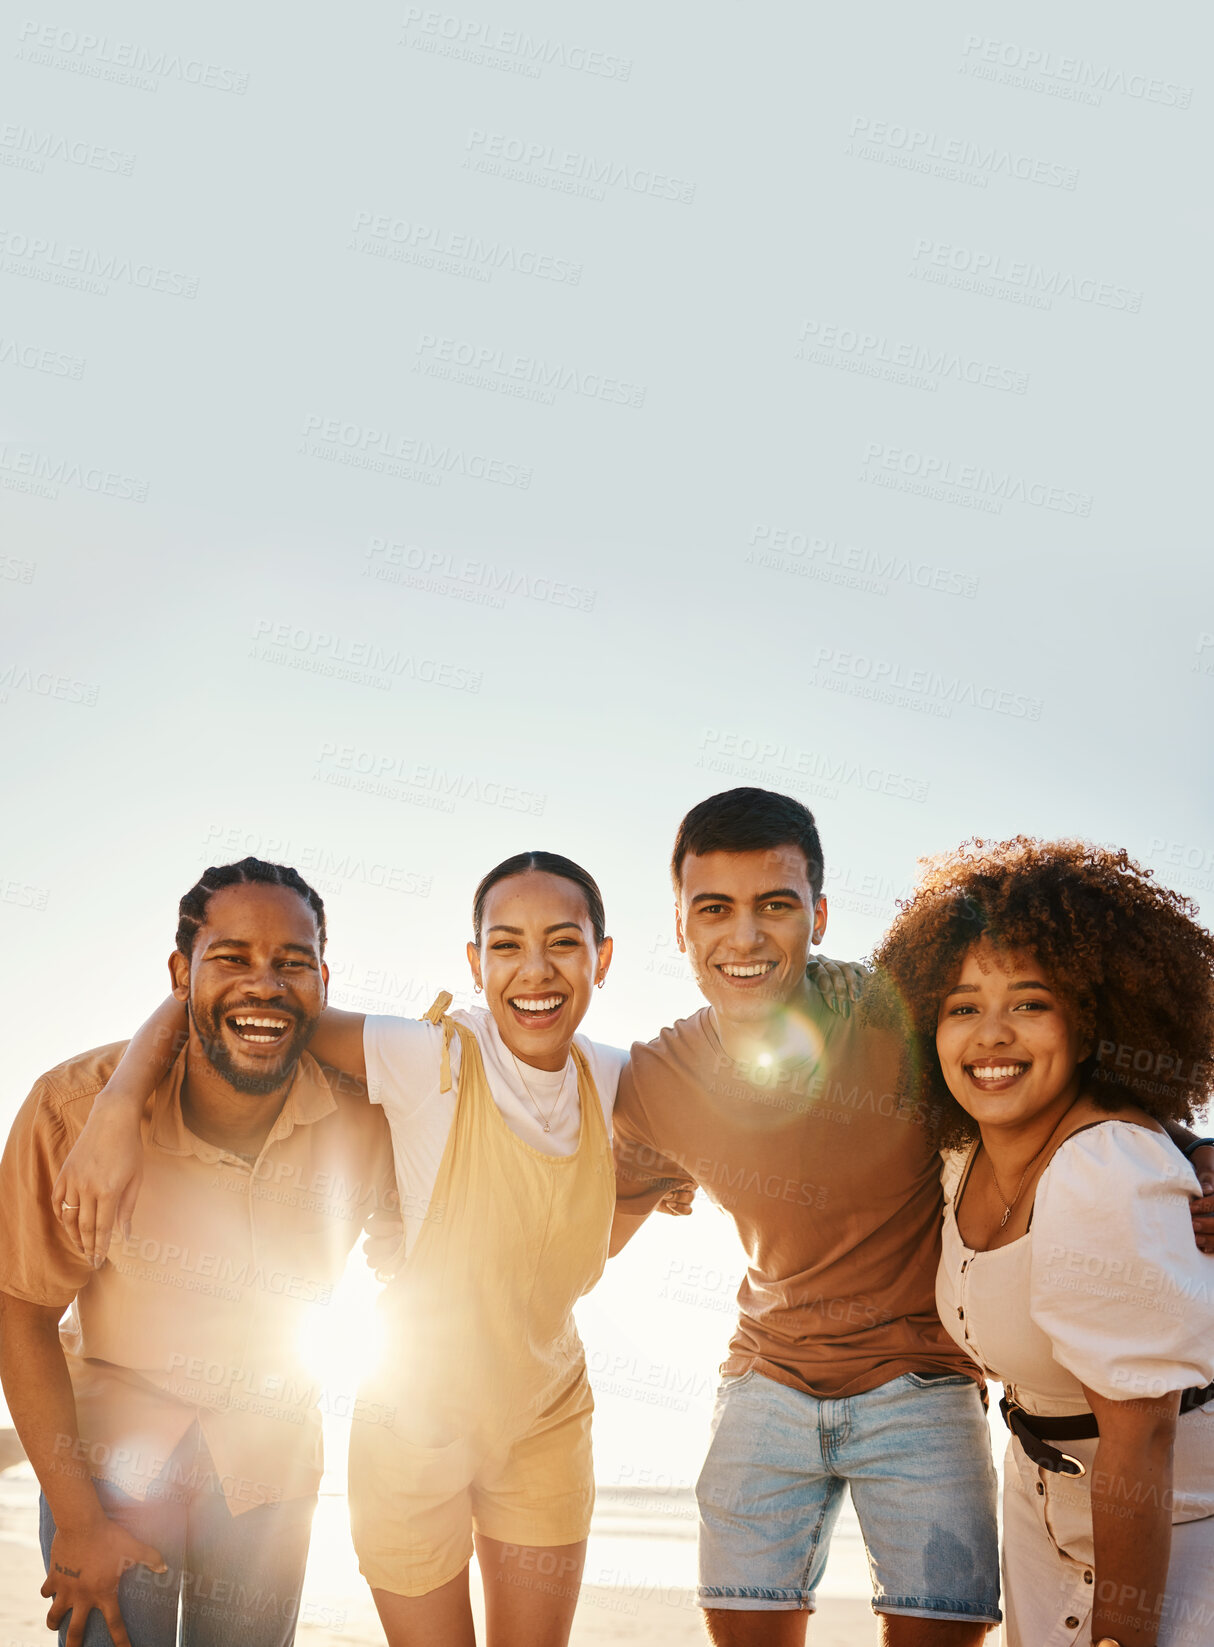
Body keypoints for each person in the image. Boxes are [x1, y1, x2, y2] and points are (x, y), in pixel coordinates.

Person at [609, 789, 1214, 1647]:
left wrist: (1187, 1144)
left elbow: (1046, 1070)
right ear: (679, 926)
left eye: (775, 905)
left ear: (817, 913)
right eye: (714, 909)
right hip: (768, 1374)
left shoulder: (901, 1017)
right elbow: (578, 1205)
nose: (744, 937)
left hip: (923, 1380)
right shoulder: (655, 1075)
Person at [52, 851, 698, 1647]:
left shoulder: (622, 1083)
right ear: (475, 961)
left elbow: (566, 1257)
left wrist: (650, 1179)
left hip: (545, 1417)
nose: (536, 970)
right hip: (415, 1420)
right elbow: (248, 1005)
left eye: (563, 942)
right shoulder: (420, 1057)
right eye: (505, 944)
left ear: (601, 955)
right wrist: (120, 1101)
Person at [0, 859, 396, 1647]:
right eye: (232, 957)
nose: (265, 983)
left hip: (269, 1466)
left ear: (323, 977)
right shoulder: (72, 1107)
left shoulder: (374, 1115)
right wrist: (78, 1522)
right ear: (181, 973)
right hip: (109, 1463)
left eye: (292, 961)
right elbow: (21, 1305)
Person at [870, 836, 1214, 1647]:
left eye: (1029, 1001)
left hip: (1172, 1518)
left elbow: (1143, 1439)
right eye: (961, 1006)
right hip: (1039, 1500)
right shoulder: (964, 1150)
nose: (991, 1035)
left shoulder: (1108, 1170)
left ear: (1091, 1020)